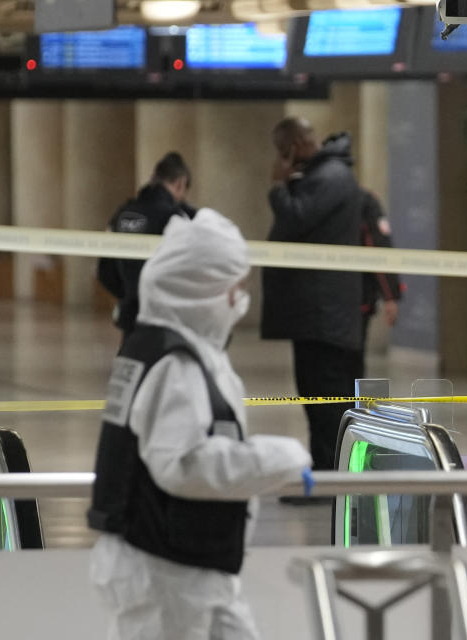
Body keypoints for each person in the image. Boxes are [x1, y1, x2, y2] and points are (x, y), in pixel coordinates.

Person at [88, 208, 313, 640]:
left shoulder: (165, 345)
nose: (240, 300)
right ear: (201, 289)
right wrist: (276, 459)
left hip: (190, 566)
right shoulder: (174, 363)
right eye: (234, 288)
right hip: (164, 571)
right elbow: (184, 464)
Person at [261, 117, 363, 479]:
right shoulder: (321, 177)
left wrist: (278, 186)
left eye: (282, 151)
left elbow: (294, 218)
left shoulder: (329, 177)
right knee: (315, 396)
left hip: (325, 315)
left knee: (325, 399)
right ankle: (325, 471)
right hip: (316, 314)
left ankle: (331, 475)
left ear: (295, 147)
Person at [97, 151, 196, 338]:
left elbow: (105, 270)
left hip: (130, 316)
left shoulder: (122, 214)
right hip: (166, 316)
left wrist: (128, 295)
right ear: (180, 183)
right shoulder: (176, 217)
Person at [358, 189, 404, 373]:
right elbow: (379, 247)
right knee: (352, 359)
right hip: (357, 300)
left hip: (323, 304)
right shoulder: (364, 200)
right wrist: (390, 297)